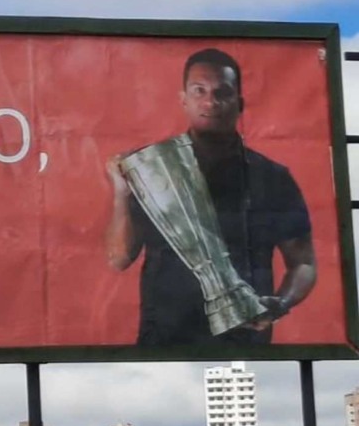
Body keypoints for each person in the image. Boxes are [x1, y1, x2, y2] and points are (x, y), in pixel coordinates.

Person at [104, 48, 317, 346]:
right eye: (199, 91)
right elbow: (118, 258)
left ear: (239, 103)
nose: (210, 102)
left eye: (222, 92)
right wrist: (121, 193)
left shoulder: (272, 177)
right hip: (164, 341)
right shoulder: (153, 170)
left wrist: (281, 302)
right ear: (184, 100)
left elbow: (304, 263)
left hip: (246, 339)